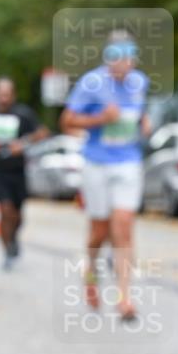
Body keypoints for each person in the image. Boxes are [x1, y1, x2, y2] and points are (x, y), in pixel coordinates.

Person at [59, 29, 151, 321]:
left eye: (129, 58)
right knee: (99, 232)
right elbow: (67, 122)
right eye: (118, 58)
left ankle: (125, 298)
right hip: (97, 163)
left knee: (123, 227)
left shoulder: (140, 83)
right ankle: (90, 273)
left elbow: (138, 111)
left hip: (128, 162)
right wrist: (100, 118)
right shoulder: (91, 83)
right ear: (108, 59)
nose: (124, 64)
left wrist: (144, 121)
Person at [0, 77, 48, 269]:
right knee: (5, 210)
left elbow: (42, 132)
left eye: (7, 94)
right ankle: (6, 251)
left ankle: (13, 239)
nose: (4, 99)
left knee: (18, 216)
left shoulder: (23, 114)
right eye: (0, 94)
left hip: (18, 170)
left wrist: (22, 144)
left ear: (13, 95)